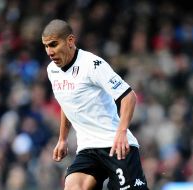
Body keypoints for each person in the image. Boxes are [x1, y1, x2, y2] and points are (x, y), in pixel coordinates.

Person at [42, 19, 148, 190]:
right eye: (46, 46)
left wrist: (121, 133)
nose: (49, 51)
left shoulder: (92, 65)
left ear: (70, 41)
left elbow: (129, 97)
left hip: (115, 145)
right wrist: (62, 139)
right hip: (88, 149)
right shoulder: (52, 71)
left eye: (53, 44)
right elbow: (66, 102)